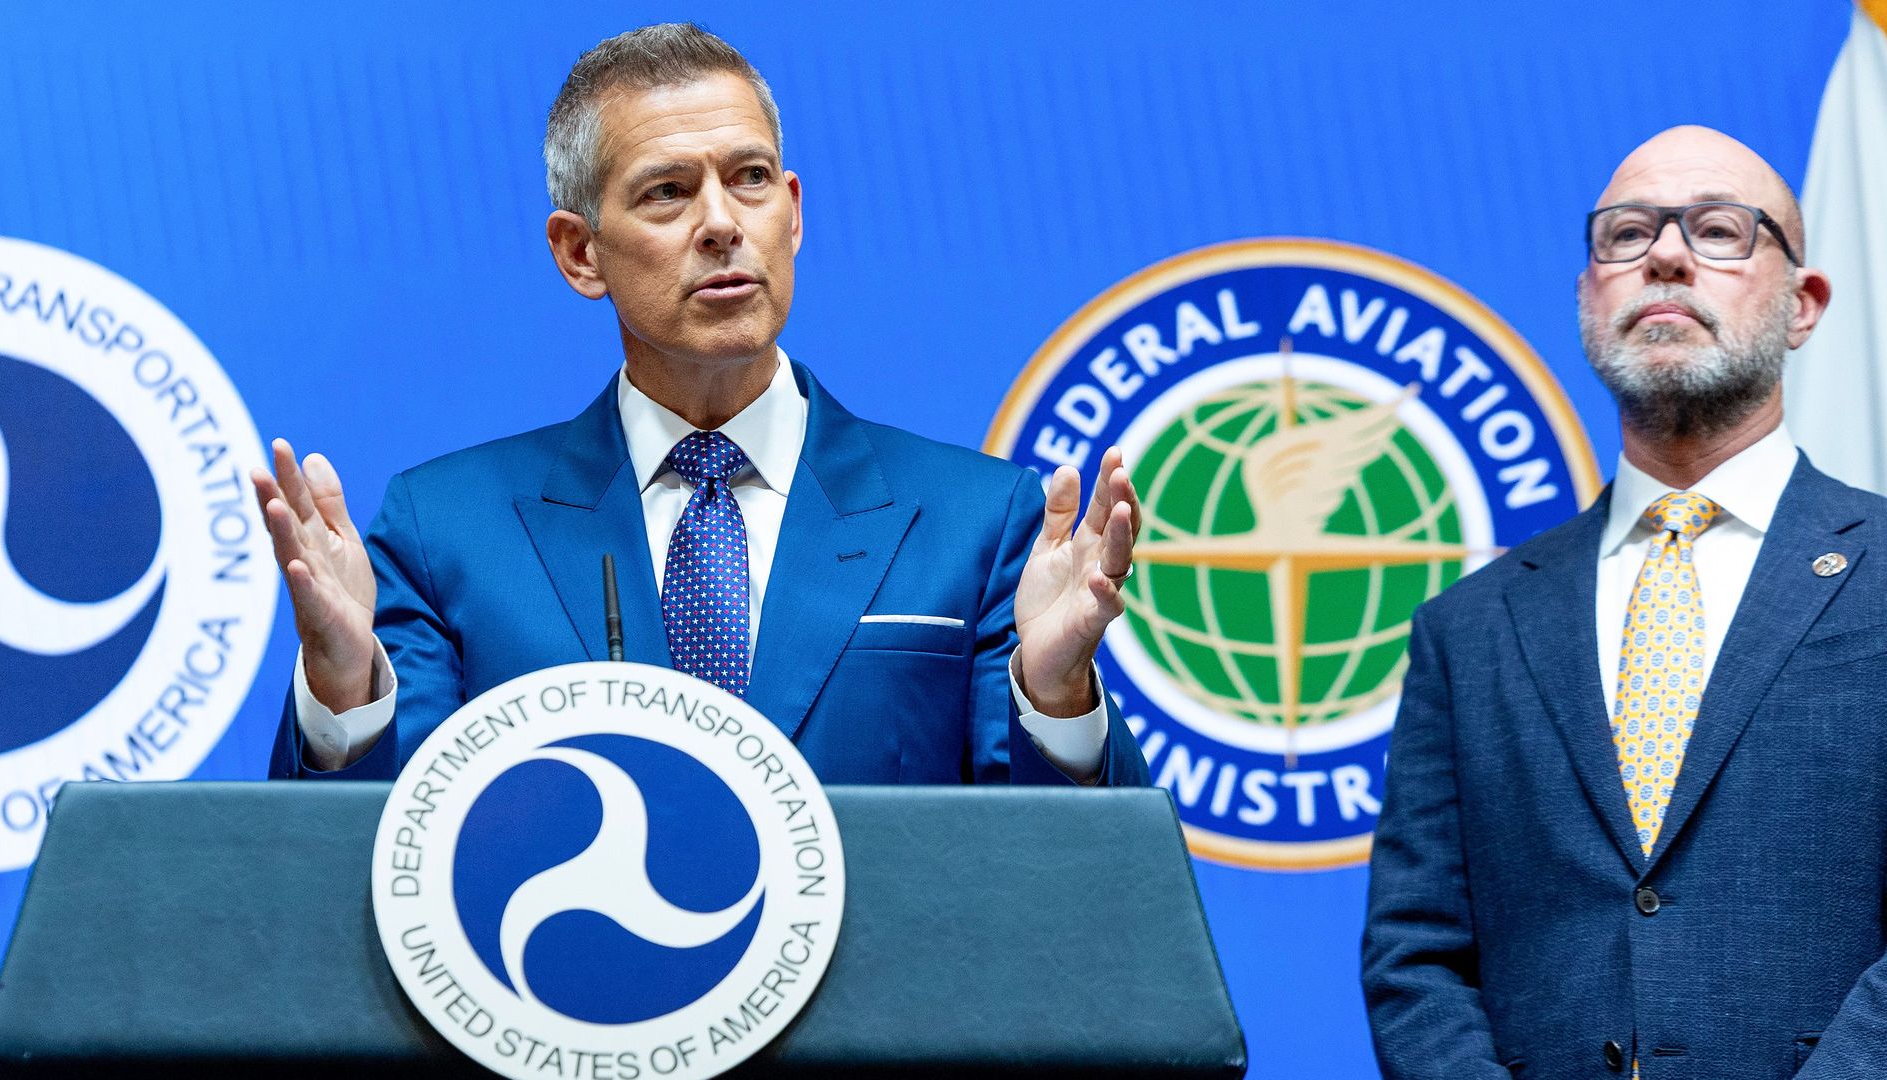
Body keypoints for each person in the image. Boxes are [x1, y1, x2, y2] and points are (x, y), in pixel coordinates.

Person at [252, 24, 1148, 787]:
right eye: (668, 191)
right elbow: (391, 858)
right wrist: (343, 692)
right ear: (580, 253)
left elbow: (1057, 889)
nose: (722, 223)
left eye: (750, 178)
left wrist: (1058, 698)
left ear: (791, 214)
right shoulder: (447, 531)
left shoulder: (975, 523)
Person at [1362, 125, 1887, 1078]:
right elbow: (1416, 957)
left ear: (1805, 303)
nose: (1668, 257)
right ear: (1586, 297)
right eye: (1628, 234)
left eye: (1721, 231)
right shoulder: (1468, 627)